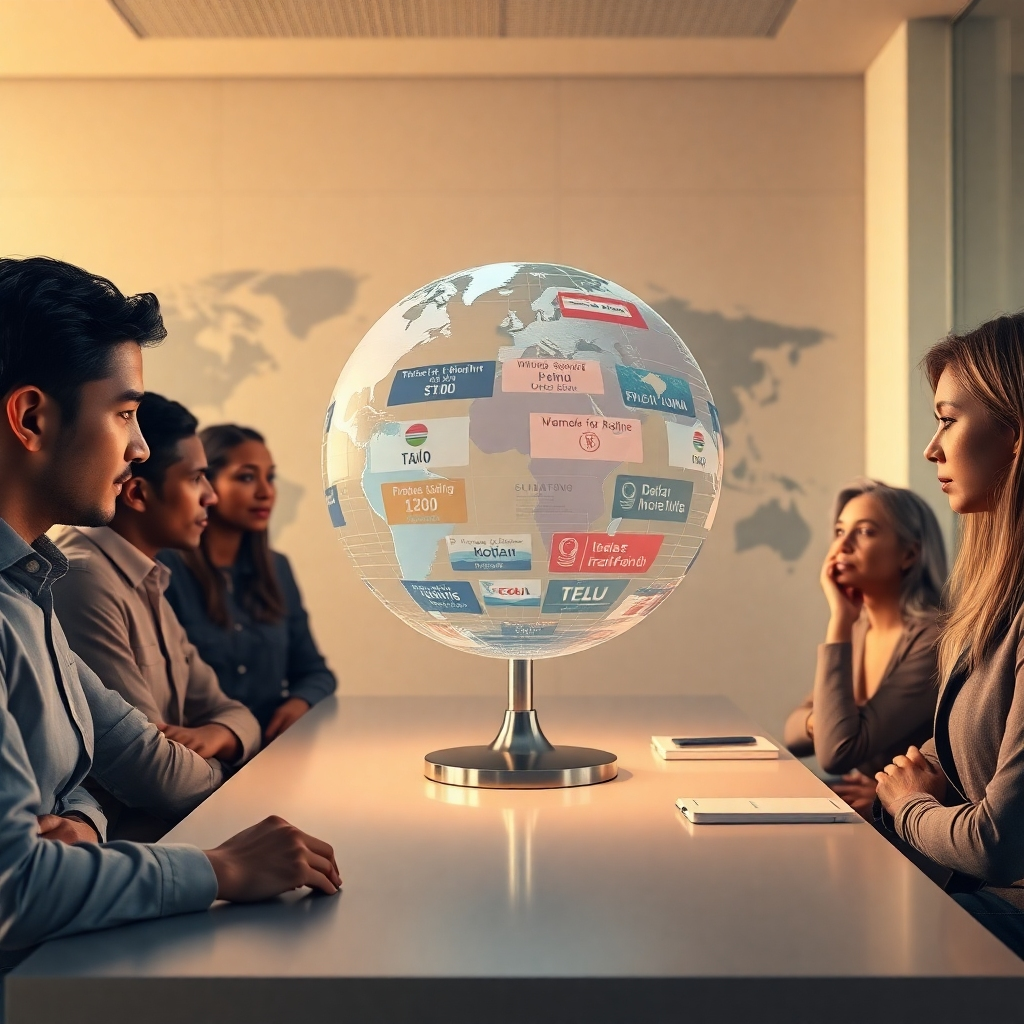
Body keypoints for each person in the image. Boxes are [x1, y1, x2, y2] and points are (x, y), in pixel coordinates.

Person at [0, 256, 339, 976]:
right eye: (124, 414)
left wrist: (83, 828)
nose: (140, 448)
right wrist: (220, 870)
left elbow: (95, 772)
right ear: (32, 418)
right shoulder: (48, 590)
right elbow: (15, 888)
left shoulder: (29, 590)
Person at [876, 313, 1024, 958]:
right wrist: (899, 788)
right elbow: (960, 750)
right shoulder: (998, 598)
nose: (932, 450)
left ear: (1015, 430)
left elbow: (997, 845)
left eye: (947, 418)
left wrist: (908, 806)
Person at [51, 392, 262, 840]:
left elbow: (231, 710)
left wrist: (219, 733)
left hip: (175, 831)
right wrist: (232, 769)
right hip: (129, 846)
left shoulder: (148, 578)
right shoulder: (84, 579)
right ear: (140, 493)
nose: (211, 496)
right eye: (197, 479)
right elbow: (156, 777)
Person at [160, 424, 335, 741]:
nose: (265, 492)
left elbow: (314, 672)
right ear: (205, 484)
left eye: (270, 477)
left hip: (273, 753)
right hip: (199, 760)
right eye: (246, 477)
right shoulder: (163, 570)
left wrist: (299, 702)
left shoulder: (277, 568)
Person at [784, 480, 946, 817]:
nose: (842, 545)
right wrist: (823, 723)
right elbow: (792, 733)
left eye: (865, 531)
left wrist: (839, 621)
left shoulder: (934, 640)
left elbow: (837, 753)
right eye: (840, 530)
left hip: (912, 828)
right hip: (868, 810)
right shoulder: (860, 630)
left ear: (909, 554)